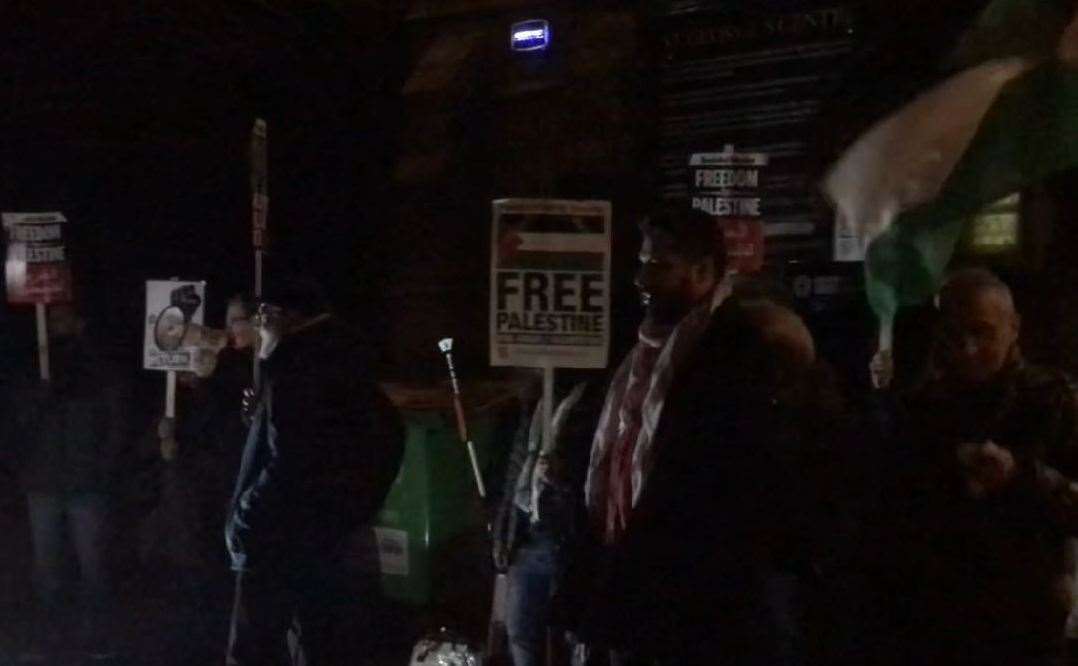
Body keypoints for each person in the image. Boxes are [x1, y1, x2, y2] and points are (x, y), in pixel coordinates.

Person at [560, 205, 822, 665]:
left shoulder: (737, 355)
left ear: (703, 272)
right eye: (643, 263)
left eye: (660, 266)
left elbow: (745, 484)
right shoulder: (633, 352)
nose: (642, 280)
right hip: (624, 582)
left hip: (692, 602)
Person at [873, 268, 1078, 665]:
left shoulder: (1053, 401)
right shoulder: (923, 407)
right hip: (937, 617)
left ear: (1013, 327)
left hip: (1025, 619)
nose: (967, 349)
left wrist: (1020, 476)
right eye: (953, 335)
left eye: (982, 332)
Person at [224, 277, 405, 665]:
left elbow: (290, 459)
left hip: (280, 535)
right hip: (326, 534)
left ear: (279, 317)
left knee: (258, 647)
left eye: (258, 320)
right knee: (319, 640)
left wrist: (247, 518)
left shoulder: (299, 369)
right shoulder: (342, 363)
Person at [12, 303, 127, 661]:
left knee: (93, 567)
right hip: (45, 482)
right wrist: (38, 399)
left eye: (65, 317)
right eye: (53, 318)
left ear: (80, 321)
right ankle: (52, 636)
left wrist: (102, 467)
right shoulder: (34, 367)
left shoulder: (98, 369)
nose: (59, 324)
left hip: (85, 482)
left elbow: (115, 420)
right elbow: (17, 426)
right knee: (48, 571)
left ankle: (96, 637)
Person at [492, 371, 606, 666]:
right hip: (526, 537)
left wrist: (563, 479)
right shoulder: (535, 405)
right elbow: (515, 472)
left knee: (567, 638)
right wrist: (504, 532)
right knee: (520, 634)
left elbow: (595, 474)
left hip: (564, 540)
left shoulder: (592, 404)